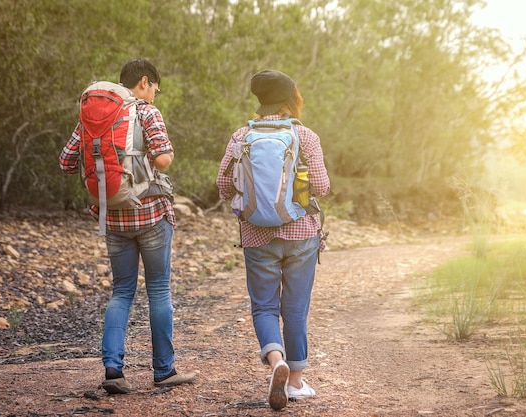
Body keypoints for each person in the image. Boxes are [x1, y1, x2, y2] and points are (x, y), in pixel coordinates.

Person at [59, 58, 196, 394]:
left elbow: (65, 162)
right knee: (159, 290)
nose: (155, 96)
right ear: (144, 82)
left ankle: (113, 370)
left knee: (121, 292)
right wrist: (143, 159)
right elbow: (163, 157)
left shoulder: (94, 116)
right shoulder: (146, 112)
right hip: (150, 215)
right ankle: (164, 370)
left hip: (112, 216)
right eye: (155, 90)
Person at [216, 69, 330, 411]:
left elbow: (223, 187)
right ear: (290, 99)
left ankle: (276, 359)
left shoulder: (240, 137)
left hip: (255, 235)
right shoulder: (305, 136)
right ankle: (295, 381)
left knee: (264, 306)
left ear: (260, 101)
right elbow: (322, 188)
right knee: (295, 309)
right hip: (300, 235)